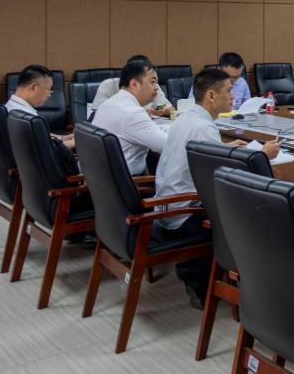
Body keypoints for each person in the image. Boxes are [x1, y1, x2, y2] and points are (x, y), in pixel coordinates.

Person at [154, 68, 279, 307]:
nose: (233, 97)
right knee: (253, 211)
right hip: (186, 215)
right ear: (211, 95)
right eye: (229, 91)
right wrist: (262, 154)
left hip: (168, 207)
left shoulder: (188, 118)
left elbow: (205, 155)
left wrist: (227, 148)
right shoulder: (203, 127)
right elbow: (222, 176)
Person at [91, 59, 169, 175]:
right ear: (134, 84)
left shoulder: (111, 103)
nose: (157, 87)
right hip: (128, 182)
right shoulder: (132, 113)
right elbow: (168, 145)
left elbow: (149, 129)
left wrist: (172, 128)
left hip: (103, 178)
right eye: (153, 82)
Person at [5, 64, 77, 171]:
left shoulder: (10, 107)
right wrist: (76, 142)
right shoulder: (29, 119)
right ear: (34, 87)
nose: (49, 94)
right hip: (43, 171)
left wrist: (61, 138)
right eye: (49, 89)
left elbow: (39, 139)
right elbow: (46, 150)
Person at [92, 55, 172, 117]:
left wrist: (161, 112)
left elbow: (171, 110)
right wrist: (142, 114)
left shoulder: (153, 86)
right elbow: (99, 114)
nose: (155, 86)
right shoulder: (108, 85)